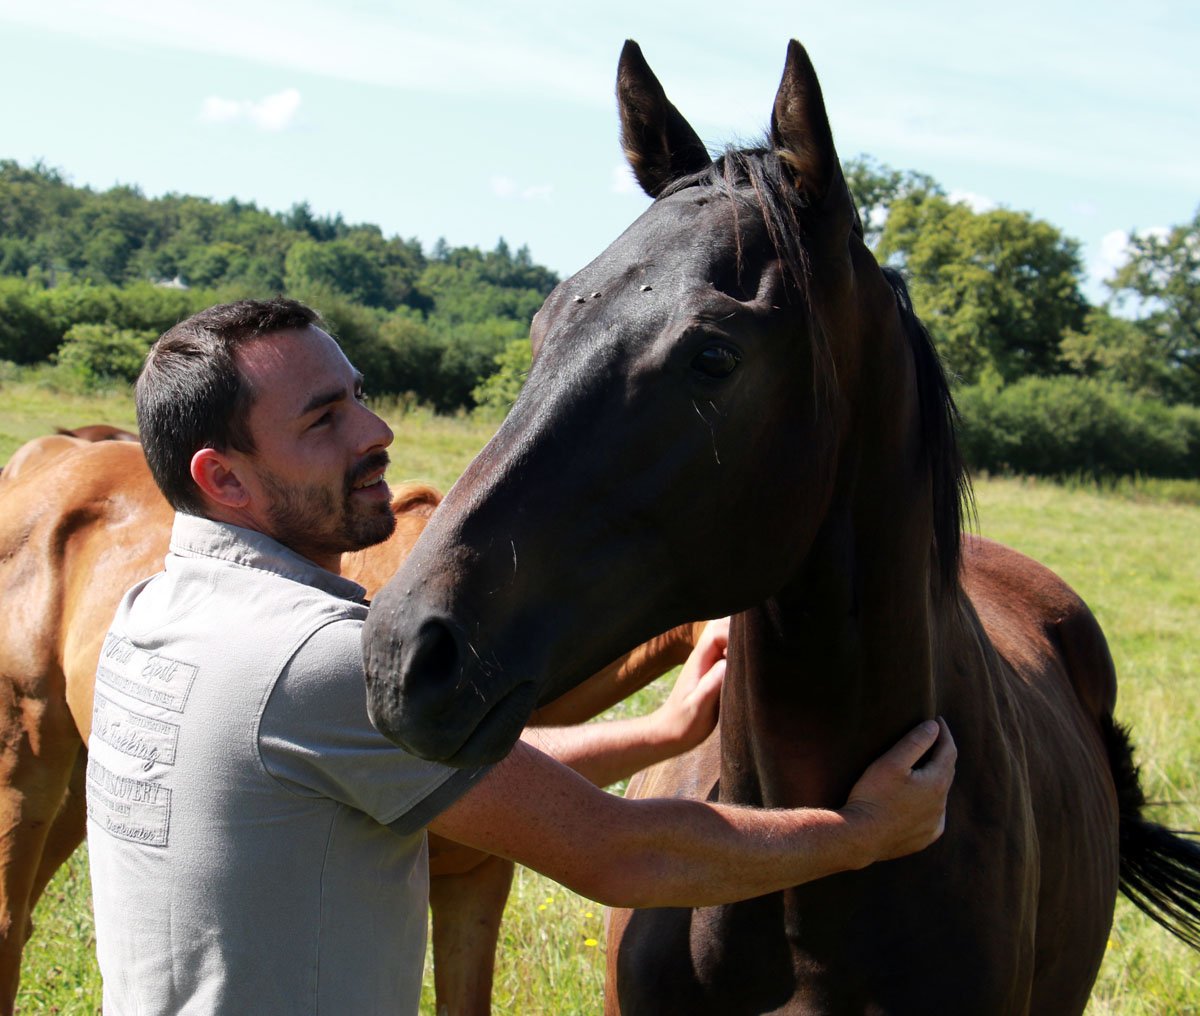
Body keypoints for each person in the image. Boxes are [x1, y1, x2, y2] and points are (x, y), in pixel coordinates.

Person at [87, 297, 957, 1015]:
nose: (375, 431)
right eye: (323, 420)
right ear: (224, 479)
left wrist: (659, 733)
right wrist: (863, 834)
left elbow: (453, 767)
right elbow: (621, 852)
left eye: (357, 396)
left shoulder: (155, 614)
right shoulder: (311, 660)